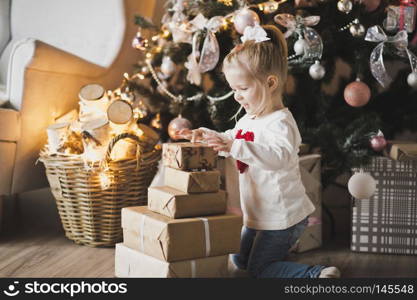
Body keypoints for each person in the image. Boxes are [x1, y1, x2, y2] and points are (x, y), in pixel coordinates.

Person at [178, 23, 340, 278]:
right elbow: (234, 139)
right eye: (233, 90)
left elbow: (280, 157)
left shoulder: (281, 122)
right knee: (239, 259)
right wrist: (211, 137)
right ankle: (270, 263)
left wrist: (233, 145)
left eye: (243, 89)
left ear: (271, 83)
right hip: (257, 213)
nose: (237, 96)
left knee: (259, 271)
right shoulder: (249, 119)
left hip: (282, 216)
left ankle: (314, 274)